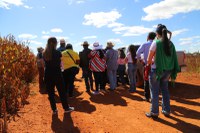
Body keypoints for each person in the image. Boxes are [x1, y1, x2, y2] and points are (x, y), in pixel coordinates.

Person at [145, 24, 180, 118]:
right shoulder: (171, 44)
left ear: (157, 33)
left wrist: (151, 61)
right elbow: (172, 57)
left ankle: (154, 112)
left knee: (155, 92)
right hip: (168, 71)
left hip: (156, 70)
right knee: (165, 90)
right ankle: (166, 110)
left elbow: (148, 60)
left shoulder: (156, 43)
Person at [43, 37, 74, 114]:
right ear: (55, 43)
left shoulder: (44, 53)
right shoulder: (58, 53)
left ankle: (54, 110)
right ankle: (66, 108)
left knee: (51, 93)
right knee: (61, 92)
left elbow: (44, 65)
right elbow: (61, 65)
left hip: (47, 74)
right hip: (57, 74)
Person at [136, 32, 156, 102]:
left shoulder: (145, 44)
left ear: (148, 37)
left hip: (147, 65)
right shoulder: (158, 44)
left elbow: (138, 53)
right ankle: (154, 97)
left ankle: (147, 97)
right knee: (155, 81)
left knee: (146, 80)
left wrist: (141, 59)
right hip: (157, 65)